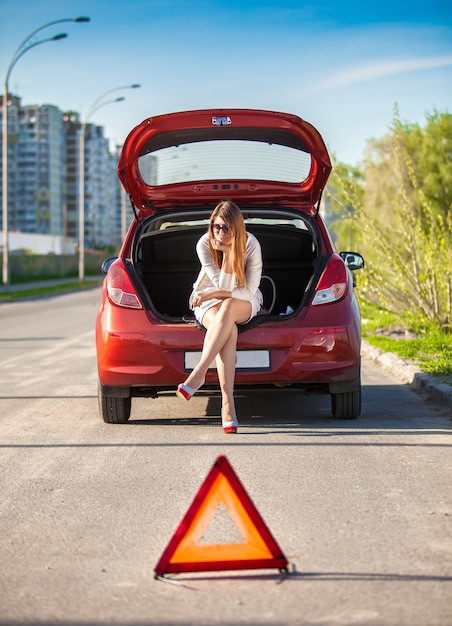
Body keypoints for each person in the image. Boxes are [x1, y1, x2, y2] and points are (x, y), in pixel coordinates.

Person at [176, 200, 263, 434]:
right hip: (208, 298)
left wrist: (230, 253)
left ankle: (199, 372)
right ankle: (228, 406)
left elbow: (249, 291)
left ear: (237, 229)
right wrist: (223, 258)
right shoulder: (204, 243)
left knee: (228, 308)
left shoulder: (251, 244)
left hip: (244, 298)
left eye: (226, 228)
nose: (219, 233)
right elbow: (219, 284)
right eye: (216, 226)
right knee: (228, 330)